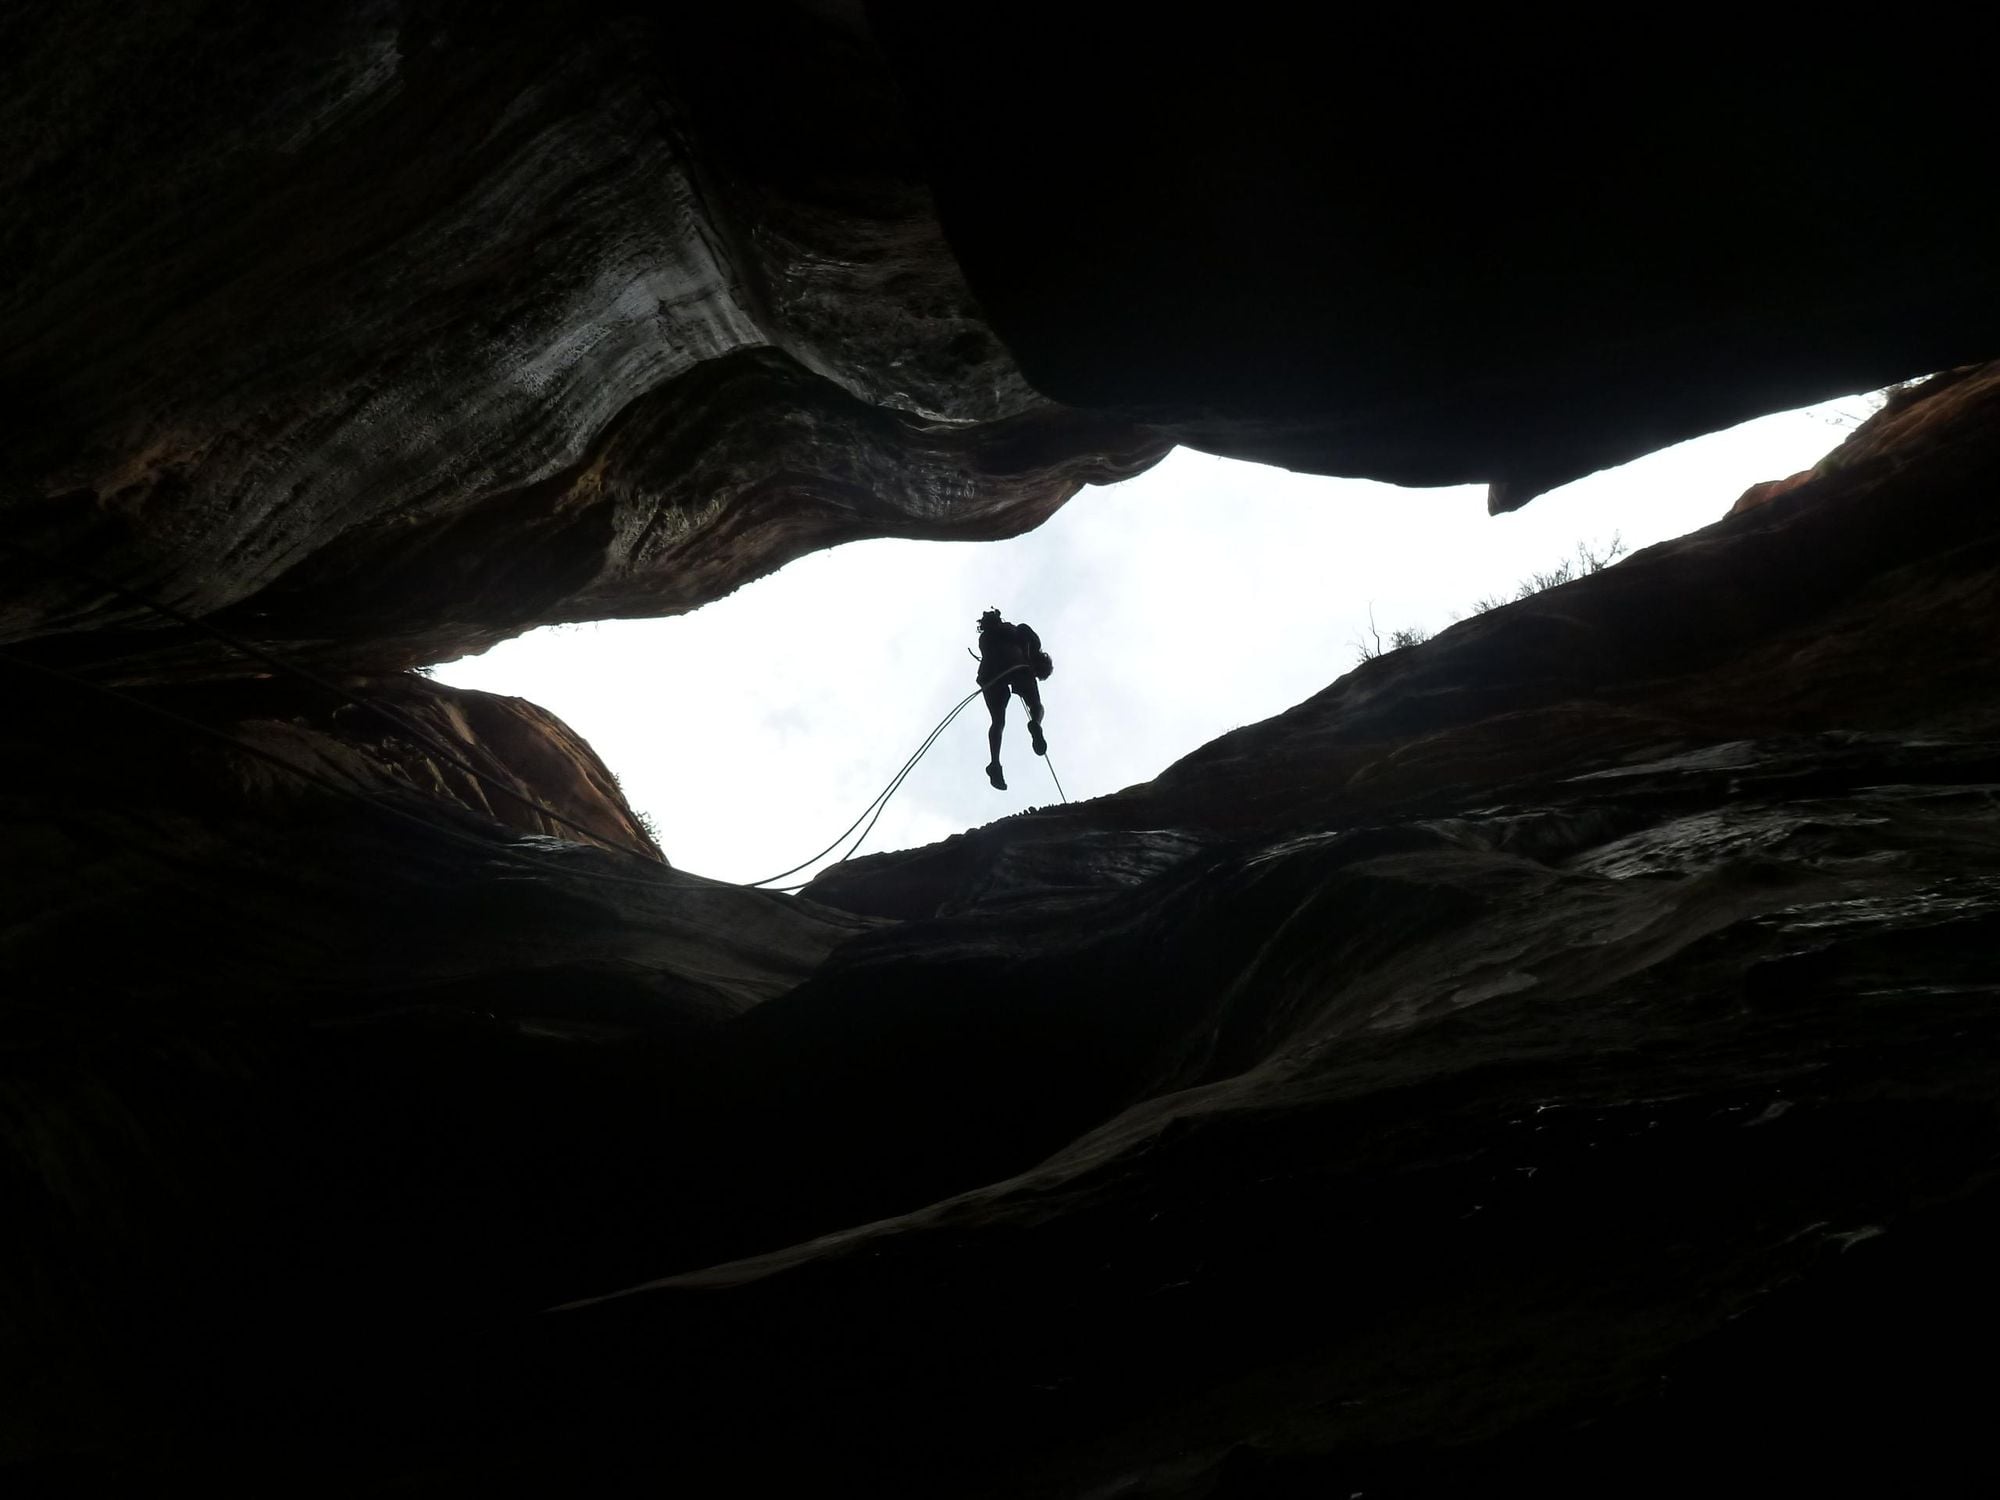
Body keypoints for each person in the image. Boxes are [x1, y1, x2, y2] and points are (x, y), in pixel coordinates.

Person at [974, 607, 1051, 789]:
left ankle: (994, 763)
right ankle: (1036, 723)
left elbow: (988, 651)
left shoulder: (985, 638)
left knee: (997, 721)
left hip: (990, 672)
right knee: (1036, 705)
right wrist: (1027, 663)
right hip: (1015, 664)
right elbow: (1029, 640)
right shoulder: (1022, 634)